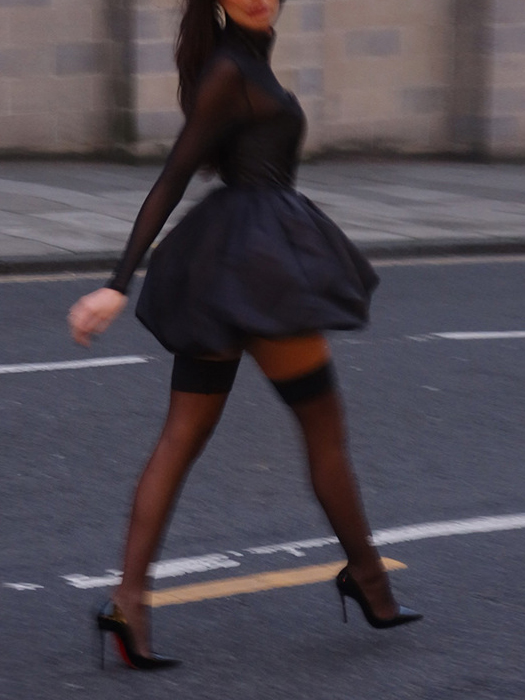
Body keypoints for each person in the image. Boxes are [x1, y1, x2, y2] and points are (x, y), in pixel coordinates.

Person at [69, 0, 421, 671]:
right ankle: (368, 579)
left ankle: (128, 603)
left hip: (230, 262)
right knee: (322, 431)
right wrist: (116, 282)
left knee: (183, 436)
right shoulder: (230, 69)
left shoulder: (241, 61)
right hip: (260, 270)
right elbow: (174, 174)